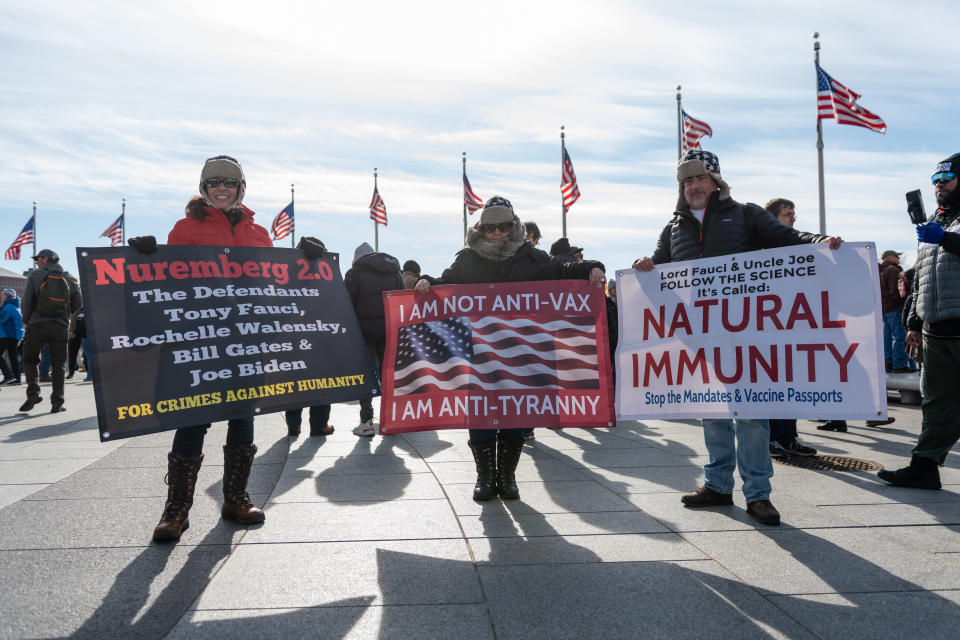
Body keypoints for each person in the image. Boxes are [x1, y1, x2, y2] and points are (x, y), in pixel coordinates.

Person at [633, 150, 842, 526]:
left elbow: (786, 238)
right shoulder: (673, 228)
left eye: (699, 178)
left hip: (745, 334)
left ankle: (758, 495)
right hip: (701, 335)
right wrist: (643, 266)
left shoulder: (745, 214)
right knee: (711, 411)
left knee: (751, 414)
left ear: (715, 180)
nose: (693, 186)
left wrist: (819, 241)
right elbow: (658, 270)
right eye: (686, 181)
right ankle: (716, 486)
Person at [128, 155, 325, 542]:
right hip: (200, 339)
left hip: (244, 341)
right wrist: (147, 257)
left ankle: (235, 497)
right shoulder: (185, 228)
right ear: (203, 188)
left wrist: (306, 260)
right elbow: (168, 283)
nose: (222, 188)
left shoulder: (259, 234)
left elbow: (275, 286)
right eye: (214, 182)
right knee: (192, 419)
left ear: (241, 188)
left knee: (242, 416)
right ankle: (177, 510)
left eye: (229, 182)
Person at [415, 196, 605, 501]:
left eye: (504, 226)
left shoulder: (533, 258)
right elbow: (445, 283)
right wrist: (426, 281)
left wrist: (591, 268)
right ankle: (485, 477)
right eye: (491, 227)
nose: (497, 233)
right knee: (480, 414)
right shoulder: (467, 260)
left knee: (517, 413)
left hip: (521, 350)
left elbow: (562, 270)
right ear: (481, 227)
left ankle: (507, 476)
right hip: (479, 352)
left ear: (513, 225)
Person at [879, 153, 960, 490]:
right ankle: (925, 466)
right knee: (937, 403)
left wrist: (942, 238)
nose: (939, 184)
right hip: (936, 331)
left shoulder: (941, 231)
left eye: (948, 177)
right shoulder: (934, 223)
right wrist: (913, 321)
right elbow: (921, 278)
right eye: (935, 179)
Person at [762, 199, 817, 458]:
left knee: (790, 385)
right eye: (788, 215)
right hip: (767, 331)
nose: (793, 219)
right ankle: (771, 437)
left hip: (792, 328)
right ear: (772, 219)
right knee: (772, 386)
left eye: (794, 214)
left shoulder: (798, 248)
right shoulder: (759, 251)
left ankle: (788, 436)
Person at [345, 242, 404, 436]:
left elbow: (347, 305)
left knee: (366, 377)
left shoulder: (354, 274)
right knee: (389, 376)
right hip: (390, 332)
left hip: (364, 334)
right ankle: (391, 421)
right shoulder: (394, 271)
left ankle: (367, 422)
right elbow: (402, 301)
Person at [18, 249, 82, 413]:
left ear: (45, 259)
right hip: (60, 326)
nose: (36, 261)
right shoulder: (70, 277)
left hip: (37, 324)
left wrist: (26, 319)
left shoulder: (35, 275)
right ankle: (57, 403)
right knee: (59, 364)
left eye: (38, 259)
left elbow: (27, 300)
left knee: (30, 359)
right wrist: (65, 314)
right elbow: (78, 302)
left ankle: (33, 392)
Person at [879, 250, 914, 373]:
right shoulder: (893, 270)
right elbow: (897, 291)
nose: (899, 259)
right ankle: (899, 364)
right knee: (900, 337)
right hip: (895, 308)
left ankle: (888, 363)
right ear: (890, 257)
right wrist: (904, 305)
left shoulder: (880, 271)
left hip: (884, 309)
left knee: (887, 338)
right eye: (897, 257)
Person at [0, 288, 24, 385]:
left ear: (8, 296)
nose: (1, 295)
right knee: (12, 356)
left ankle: (8, 376)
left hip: (7, 335)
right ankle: (17, 379)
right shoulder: (15, 306)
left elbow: (1, 319)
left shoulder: (8, 306)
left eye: (3, 294)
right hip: (15, 336)